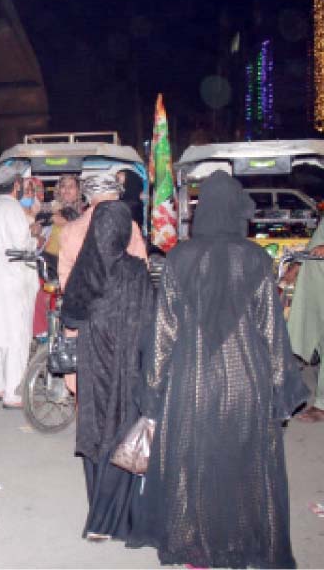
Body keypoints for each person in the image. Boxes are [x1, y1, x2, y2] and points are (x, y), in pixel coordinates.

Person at [127, 171, 308, 569]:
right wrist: (283, 393)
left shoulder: (180, 258)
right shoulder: (256, 258)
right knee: (242, 467)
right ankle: (240, 547)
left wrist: (152, 395)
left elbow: (163, 335)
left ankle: (197, 549)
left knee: (195, 465)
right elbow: (272, 332)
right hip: (249, 382)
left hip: (191, 382)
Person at [60, 201, 154, 541]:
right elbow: (150, 321)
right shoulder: (136, 271)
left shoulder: (86, 269)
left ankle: (97, 517)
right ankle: (116, 519)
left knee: (97, 433)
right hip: (128, 369)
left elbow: (70, 319)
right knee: (123, 435)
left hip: (92, 368)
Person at [58, 173, 147, 393]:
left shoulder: (70, 229)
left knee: (85, 391)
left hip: (83, 319)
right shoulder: (130, 228)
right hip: (119, 322)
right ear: (116, 196)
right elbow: (140, 274)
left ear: (88, 197)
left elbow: (65, 280)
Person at [0, 162, 40, 408]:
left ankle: (0, 385)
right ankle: (13, 394)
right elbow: (21, 246)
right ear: (16, 185)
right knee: (16, 336)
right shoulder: (13, 209)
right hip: (13, 282)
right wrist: (35, 235)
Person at [287, 220, 324, 422]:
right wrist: (296, 266)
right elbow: (316, 242)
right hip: (316, 285)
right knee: (315, 337)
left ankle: (322, 406)